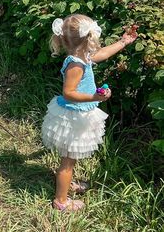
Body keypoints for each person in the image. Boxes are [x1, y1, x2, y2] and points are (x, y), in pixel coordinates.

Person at [42, 14, 138, 211]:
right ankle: (61, 201)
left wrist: (123, 42)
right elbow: (68, 93)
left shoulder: (81, 56)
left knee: (71, 157)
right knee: (67, 162)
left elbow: (101, 54)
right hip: (74, 117)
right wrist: (95, 97)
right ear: (88, 38)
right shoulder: (76, 65)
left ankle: (68, 185)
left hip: (79, 114)